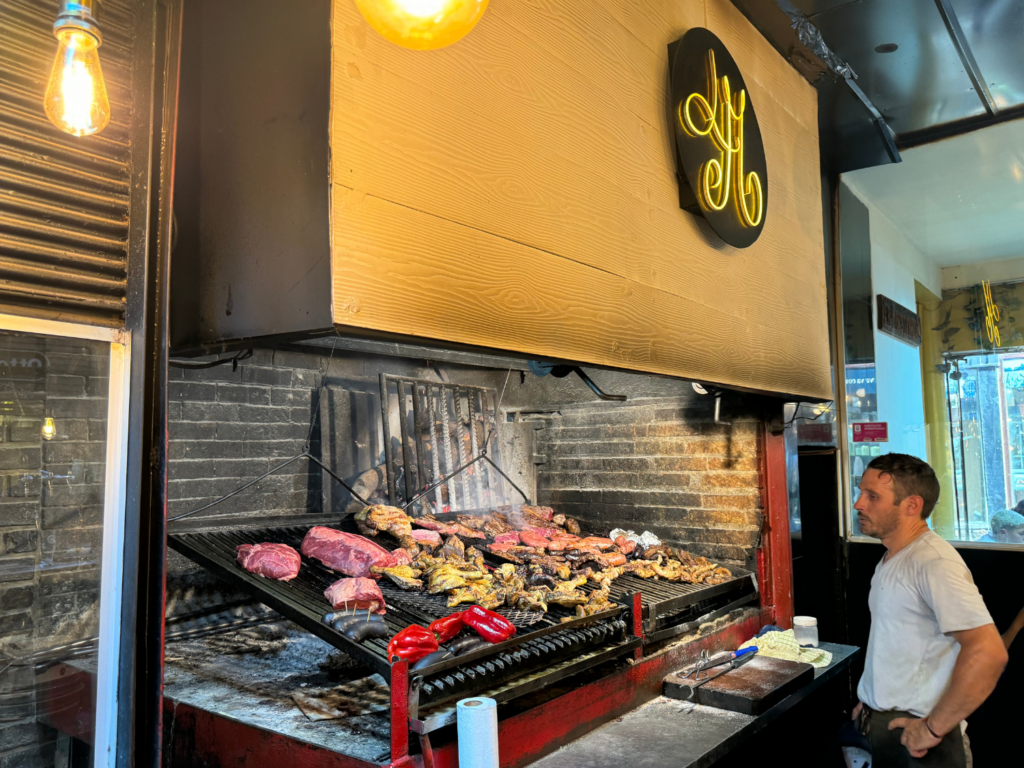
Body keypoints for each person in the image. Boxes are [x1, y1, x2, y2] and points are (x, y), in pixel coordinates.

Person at [851, 453, 1008, 766]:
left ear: (912, 505)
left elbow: (989, 652)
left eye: (872, 496)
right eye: (860, 492)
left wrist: (933, 728)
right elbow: (900, 642)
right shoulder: (893, 557)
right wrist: (870, 698)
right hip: (889, 726)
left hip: (923, 742)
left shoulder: (934, 563)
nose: (859, 504)